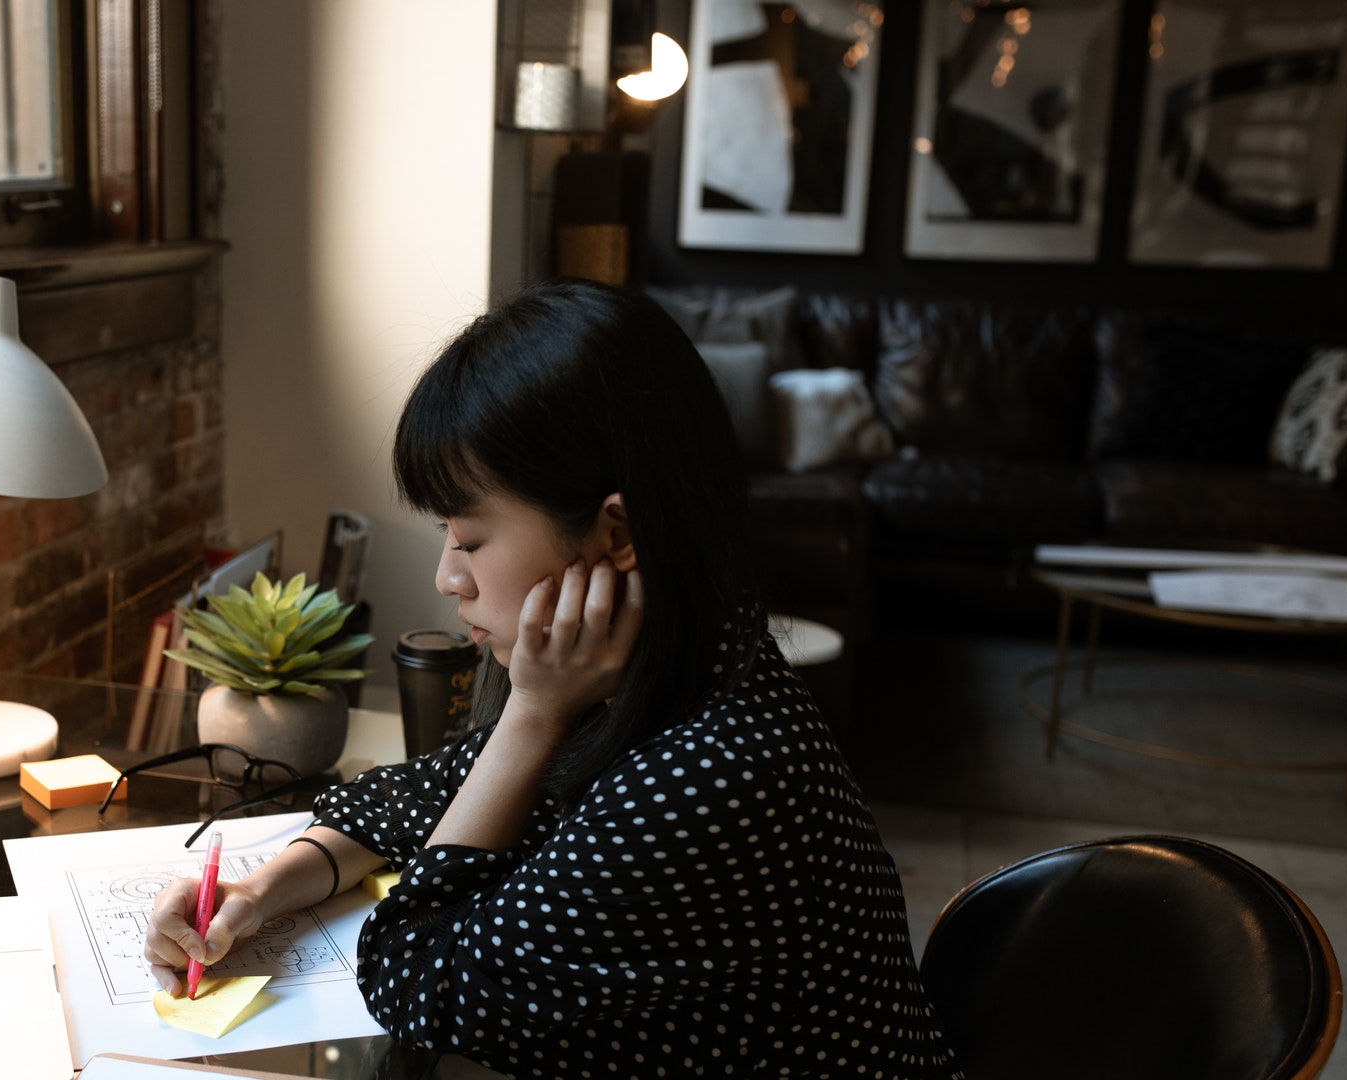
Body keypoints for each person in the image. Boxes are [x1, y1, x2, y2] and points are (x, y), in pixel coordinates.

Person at [145, 279, 961, 1079]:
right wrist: (259, 889)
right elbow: (414, 794)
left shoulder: (712, 776)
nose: (446, 578)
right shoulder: (669, 667)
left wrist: (532, 714)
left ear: (615, 533)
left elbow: (419, 980)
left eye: (469, 539)